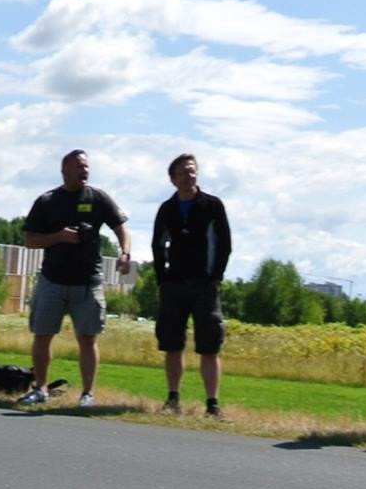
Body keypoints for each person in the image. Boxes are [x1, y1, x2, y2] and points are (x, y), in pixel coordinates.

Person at [20, 149, 132, 409]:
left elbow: (120, 227)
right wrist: (58, 236)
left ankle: (87, 394)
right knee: (42, 335)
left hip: (88, 282)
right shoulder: (48, 200)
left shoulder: (98, 198)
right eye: (79, 166)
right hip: (52, 280)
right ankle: (40, 389)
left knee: (88, 338)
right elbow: (29, 240)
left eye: (87, 167)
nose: (85, 171)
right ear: (64, 170)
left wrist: (125, 252)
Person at [151, 152, 231, 417]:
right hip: (174, 285)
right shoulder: (167, 209)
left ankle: (212, 405)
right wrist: (162, 278)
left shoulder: (212, 206)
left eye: (193, 170)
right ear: (173, 179)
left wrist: (215, 276)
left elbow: (224, 245)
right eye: (184, 172)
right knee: (173, 344)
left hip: (204, 285)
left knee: (210, 345)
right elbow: (157, 245)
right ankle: (173, 400)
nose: (190, 175)